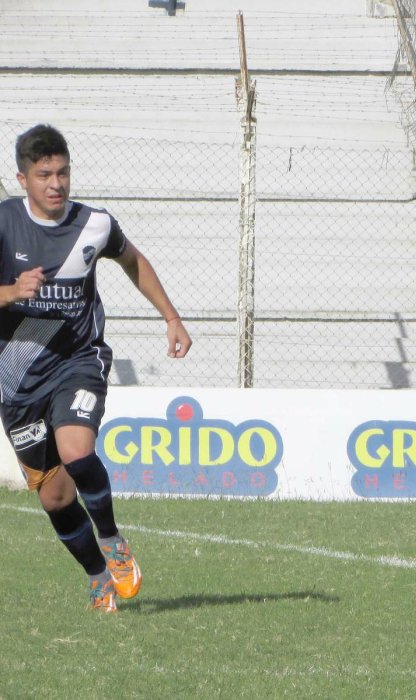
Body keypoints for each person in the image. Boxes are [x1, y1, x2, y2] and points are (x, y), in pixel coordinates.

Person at [0, 124, 192, 611]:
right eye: (44, 175)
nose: (57, 184)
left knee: (77, 449)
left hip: (77, 359)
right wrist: (8, 293)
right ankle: (98, 576)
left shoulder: (96, 224)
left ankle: (112, 540)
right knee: (56, 499)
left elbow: (133, 261)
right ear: (22, 179)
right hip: (16, 376)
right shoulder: (3, 224)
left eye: (63, 173)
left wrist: (170, 317)